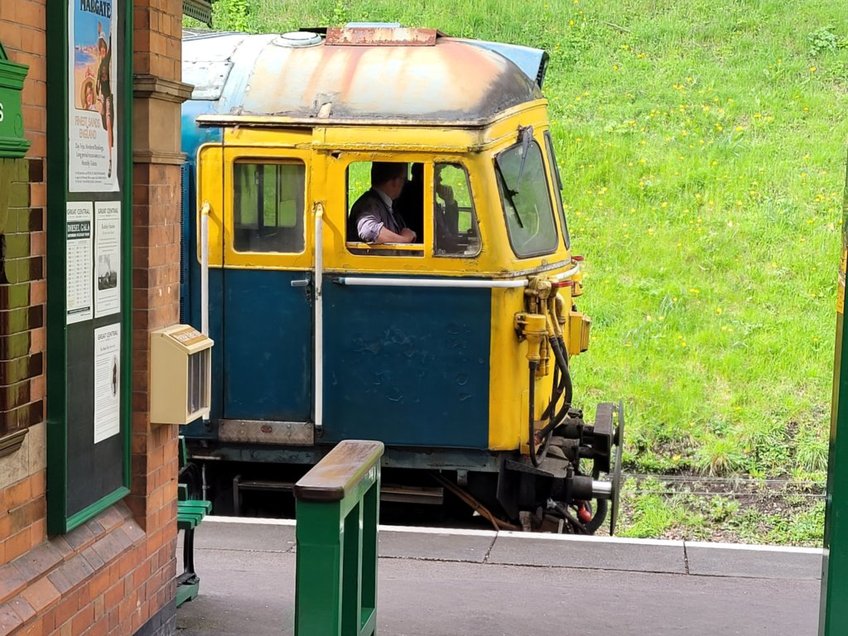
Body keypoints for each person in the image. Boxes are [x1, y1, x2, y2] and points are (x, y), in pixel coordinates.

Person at [349, 162, 417, 243]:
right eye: (403, 179)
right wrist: (404, 240)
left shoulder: (388, 205)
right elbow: (368, 230)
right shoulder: (369, 204)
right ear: (395, 182)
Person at [96, 22, 114, 179]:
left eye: (103, 48)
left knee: (108, 125)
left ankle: (110, 159)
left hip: (109, 98)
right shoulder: (98, 64)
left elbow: (111, 43)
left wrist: (104, 33)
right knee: (103, 126)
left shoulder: (106, 61)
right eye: (100, 49)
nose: (102, 51)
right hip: (103, 98)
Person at [395, 162, 424, 240]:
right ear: (424, 176)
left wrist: (450, 202)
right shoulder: (417, 198)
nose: (440, 179)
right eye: (437, 174)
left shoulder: (426, 195)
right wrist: (404, 239)